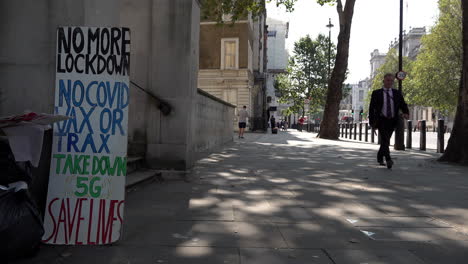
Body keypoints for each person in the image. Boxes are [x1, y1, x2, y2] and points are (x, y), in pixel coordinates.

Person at [369, 73, 409, 169]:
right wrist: (372, 123)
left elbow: (402, 104)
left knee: (385, 141)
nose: (389, 82)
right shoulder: (376, 93)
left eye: (391, 81)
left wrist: (406, 112)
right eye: (387, 80)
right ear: (383, 81)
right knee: (385, 139)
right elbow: (371, 109)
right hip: (381, 119)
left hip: (392, 120)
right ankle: (388, 159)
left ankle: (379, 156)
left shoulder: (397, 93)